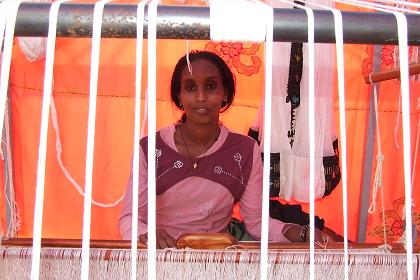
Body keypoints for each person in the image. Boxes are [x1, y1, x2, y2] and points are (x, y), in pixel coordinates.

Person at [119, 50, 335, 248]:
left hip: (218, 261)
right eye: (190, 87)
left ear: (225, 93)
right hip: (161, 260)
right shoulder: (149, 149)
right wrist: (146, 234)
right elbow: (129, 219)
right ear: (179, 96)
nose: (201, 97)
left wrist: (300, 231)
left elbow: (257, 222)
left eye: (211, 86)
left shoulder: (245, 151)